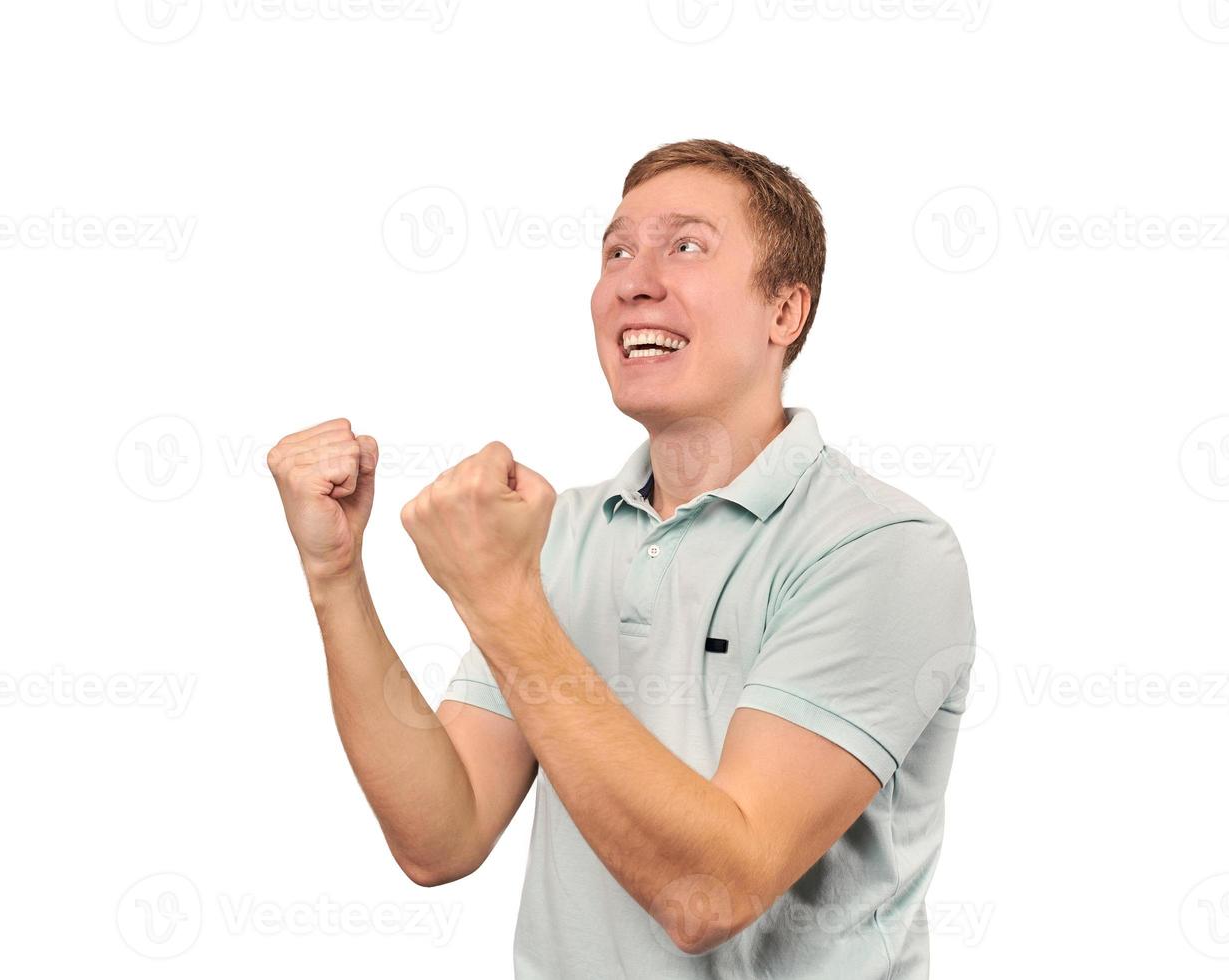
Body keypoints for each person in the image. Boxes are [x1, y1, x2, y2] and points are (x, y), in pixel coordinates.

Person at [268, 138, 977, 978]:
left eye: (686, 246)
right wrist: (336, 578)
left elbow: (708, 895)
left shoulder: (880, 549)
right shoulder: (563, 535)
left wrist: (501, 602)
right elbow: (440, 837)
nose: (634, 280)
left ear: (785, 312)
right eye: (616, 250)